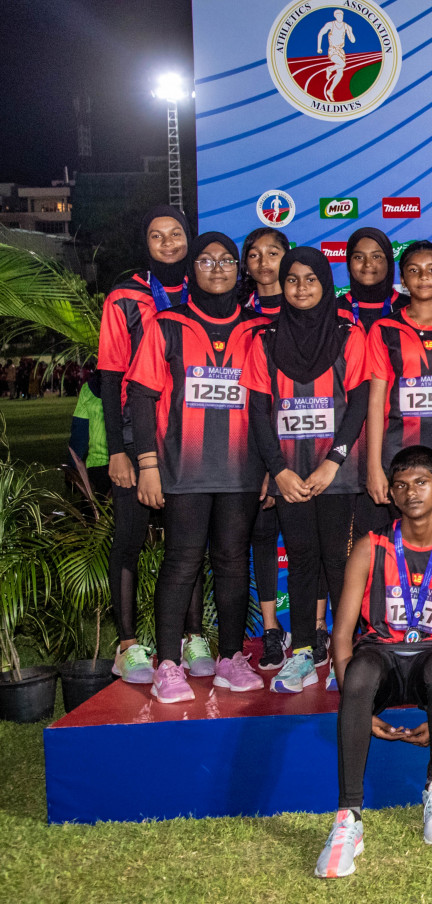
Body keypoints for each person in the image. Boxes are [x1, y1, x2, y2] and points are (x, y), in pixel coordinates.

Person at [316, 446, 432, 878]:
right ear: (391, 494)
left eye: (422, 482)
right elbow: (341, 634)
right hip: (382, 655)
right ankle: (348, 818)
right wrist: (356, 702)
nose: (411, 492)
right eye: (402, 485)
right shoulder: (370, 547)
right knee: (359, 671)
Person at [127, 232, 269, 702]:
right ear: (192, 272)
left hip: (240, 472)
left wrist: (270, 465)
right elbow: (142, 397)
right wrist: (147, 463)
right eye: (206, 260)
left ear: (238, 269)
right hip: (182, 469)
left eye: (226, 260)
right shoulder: (167, 324)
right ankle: (168, 663)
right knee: (182, 563)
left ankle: (230, 658)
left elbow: (267, 406)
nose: (217, 268)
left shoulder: (255, 329)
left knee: (232, 563)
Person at [243, 247, 371, 692]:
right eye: (292, 280)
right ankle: (301, 654)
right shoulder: (265, 339)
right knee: (299, 561)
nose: (300, 288)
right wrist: (278, 471)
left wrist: (334, 461)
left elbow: (358, 404)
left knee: (338, 561)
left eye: (310, 280)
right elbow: (258, 410)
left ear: (325, 284)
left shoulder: (348, 334)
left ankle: (344, 655)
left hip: (334, 473)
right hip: (291, 476)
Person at [99, 206, 207, 684]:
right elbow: (108, 380)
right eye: (157, 235)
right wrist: (119, 451)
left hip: (189, 438)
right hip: (134, 434)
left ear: (190, 239)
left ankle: (192, 636)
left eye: (176, 234)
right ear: (146, 244)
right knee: (130, 538)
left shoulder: (205, 293)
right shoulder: (126, 297)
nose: (167, 242)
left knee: (189, 541)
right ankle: (126, 645)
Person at [364, 241, 432, 536]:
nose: (423, 277)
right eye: (414, 270)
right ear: (403, 280)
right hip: (397, 458)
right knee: (404, 545)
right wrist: (374, 466)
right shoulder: (384, 329)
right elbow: (376, 401)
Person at [240, 226, 291, 667]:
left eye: (272, 253)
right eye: (254, 254)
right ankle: (272, 629)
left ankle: (320, 629)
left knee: (310, 541)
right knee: (260, 535)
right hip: (254, 446)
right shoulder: (239, 316)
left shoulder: (312, 310)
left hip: (305, 446)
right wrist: (265, 464)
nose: (263, 262)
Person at [337, 227, 406, 329]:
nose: (368, 264)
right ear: (349, 263)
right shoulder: (333, 310)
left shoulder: (408, 307)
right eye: (358, 257)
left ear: (389, 262)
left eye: (376, 257)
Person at [68, 370, 111, 499]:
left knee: (96, 512)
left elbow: (79, 432)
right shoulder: (134, 384)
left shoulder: (89, 388)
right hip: (132, 461)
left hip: (98, 465)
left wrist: (73, 465)